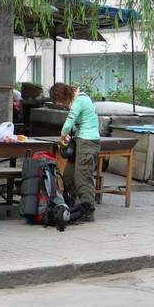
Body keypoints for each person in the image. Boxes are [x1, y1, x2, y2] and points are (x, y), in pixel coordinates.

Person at [49, 82, 100, 221]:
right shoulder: (77, 100)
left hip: (88, 142)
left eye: (61, 101)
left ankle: (88, 212)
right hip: (79, 140)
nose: (63, 105)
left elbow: (69, 122)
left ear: (65, 95)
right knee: (68, 177)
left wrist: (62, 137)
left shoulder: (80, 100)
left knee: (83, 178)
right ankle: (75, 207)